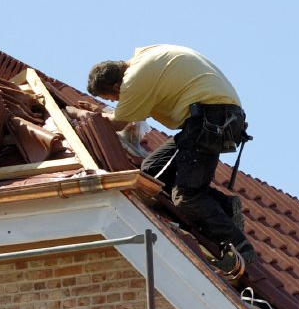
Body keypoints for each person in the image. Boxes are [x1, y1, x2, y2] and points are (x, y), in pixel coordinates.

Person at [83, 45, 254, 268]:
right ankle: (225, 206)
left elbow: (119, 122)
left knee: (187, 196)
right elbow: (123, 114)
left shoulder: (134, 79)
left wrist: (84, 115)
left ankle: (240, 248)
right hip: (211, 117)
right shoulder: (143, 58)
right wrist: (101, 112)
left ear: (117, 85)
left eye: (114, 98)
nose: (117, 101)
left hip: (211, 119)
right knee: (152, 172)